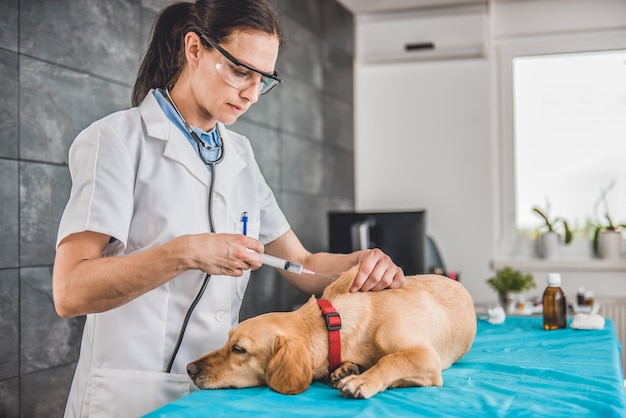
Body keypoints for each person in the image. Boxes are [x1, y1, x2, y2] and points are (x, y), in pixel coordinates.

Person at [52, 0, 405, 416]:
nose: (252, 94)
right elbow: (69, 291)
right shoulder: (116, 139)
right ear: (195, 49)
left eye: (264, 79)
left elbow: (303, 262)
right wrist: (186, 252)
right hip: (130, 395)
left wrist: (358, 265)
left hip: (217, 391)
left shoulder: (240, 154)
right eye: (240, 71)